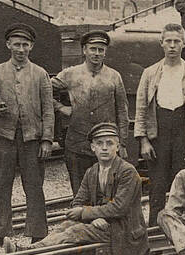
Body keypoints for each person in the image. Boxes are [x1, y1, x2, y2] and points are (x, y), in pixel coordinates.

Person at [5, 123, 148, 255]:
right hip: (101, 225)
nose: (104, 148)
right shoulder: (91, 172)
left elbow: (119, 207)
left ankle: (26, 253)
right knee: (65, 226)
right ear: (93, 147)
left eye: (109, 143)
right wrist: (93, 217)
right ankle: (30, 251)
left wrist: (85, 213)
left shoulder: (127, 172)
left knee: (75, 231)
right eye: (99, 143)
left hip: (124, 232)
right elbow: (77, 203)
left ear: (117, 147)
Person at [0, 23, 54, 248]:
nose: (21, 49)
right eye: (16, 44)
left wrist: (47, 139)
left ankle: (38, 233)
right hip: (3, 137)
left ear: (31, 46)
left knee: (34, 185)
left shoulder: (40, 74)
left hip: (32, 139)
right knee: (2, 185)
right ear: (8, 45)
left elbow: (48, 110)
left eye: (25, 45)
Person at [134, 23, 185, 226]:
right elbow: (141, 109)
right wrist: (143, 141)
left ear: (184, 43)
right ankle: (155, 231)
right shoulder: (150, 73)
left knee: (182, 185)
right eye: (168, 41)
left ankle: (181, 231)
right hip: (158, 134)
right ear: (161, 43)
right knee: (157, 186)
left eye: (177, 41)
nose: (172, 46)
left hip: (183, 134)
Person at [51, 29, 129, 193]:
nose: (96, 53)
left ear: (105, 52)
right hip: (77, 142)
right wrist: (61, 107)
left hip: (106, 144)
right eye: (93, 49)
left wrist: (122, 143)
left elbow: (122, 111)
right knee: (80, 192)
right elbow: (45, 89)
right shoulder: (70, 74)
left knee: (107, 191)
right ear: (84, 50)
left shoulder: (114, 77)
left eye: (101, 50)